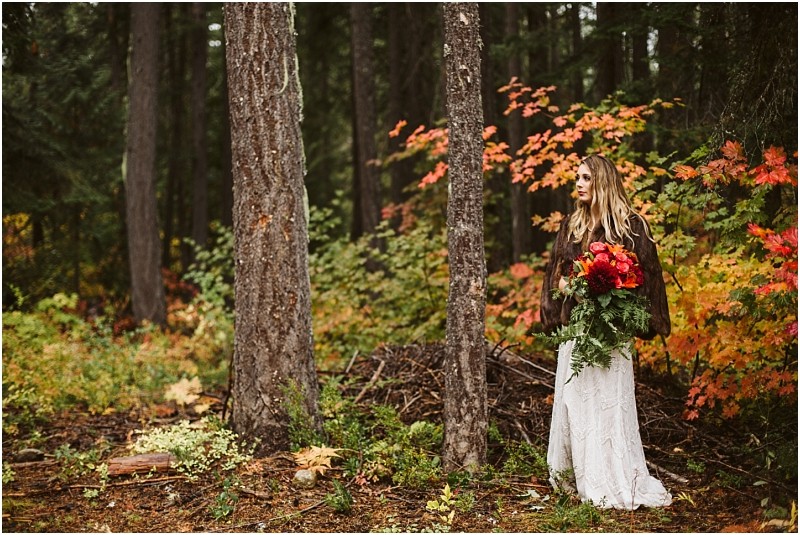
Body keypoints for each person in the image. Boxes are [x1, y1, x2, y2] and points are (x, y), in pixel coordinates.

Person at [540, 154, 672, 510]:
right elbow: (555, 273)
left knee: (608, 408)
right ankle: (577, 477)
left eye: (586, 178)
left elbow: (649, 278)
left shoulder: (632, 227)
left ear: (603, 182)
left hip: (612, 335)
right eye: (577, 177)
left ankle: (610, 477)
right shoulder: (572, 225)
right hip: (578, 331)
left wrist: (626, 307)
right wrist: (562, 299)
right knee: (575, 405)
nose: (579, 184)